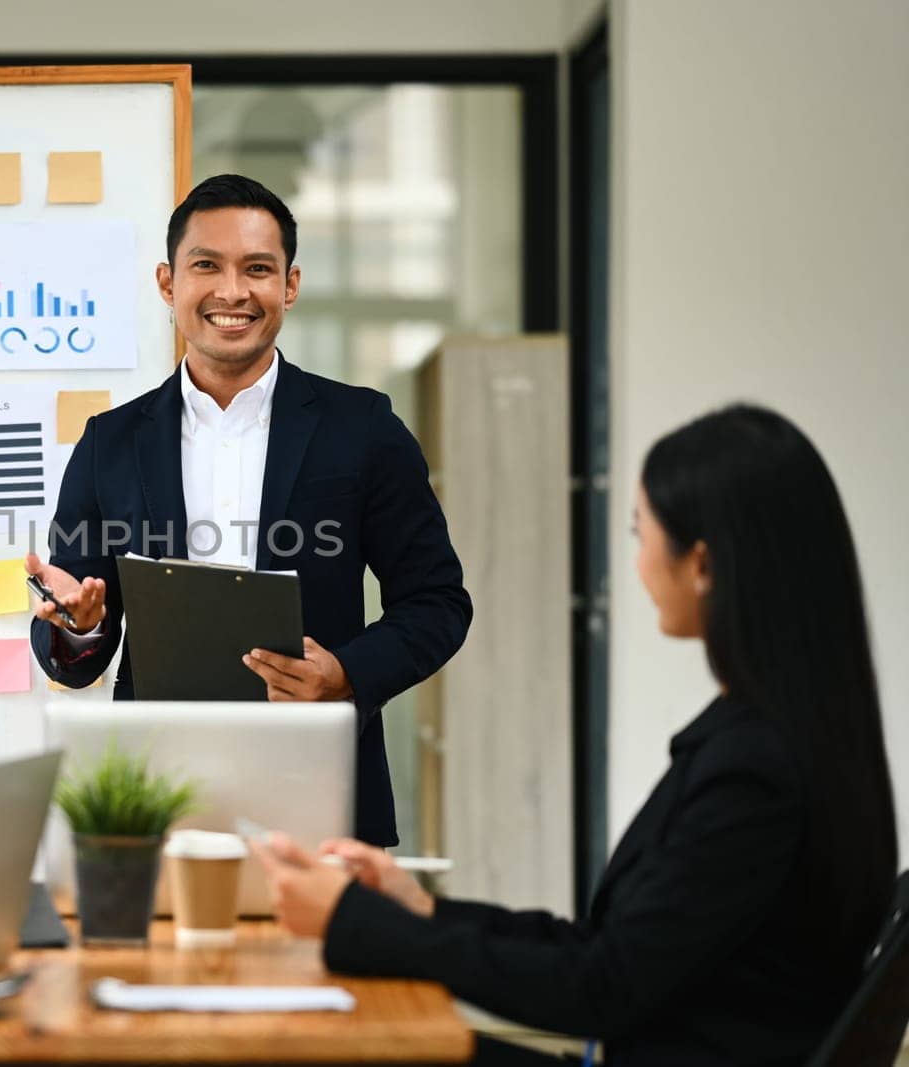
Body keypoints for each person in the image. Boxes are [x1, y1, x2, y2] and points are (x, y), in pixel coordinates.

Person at [252, 404, 900, 1065]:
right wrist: (418, 909)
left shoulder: (755, 772)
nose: (639, 561)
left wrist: (357, 923)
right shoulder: (786, 737)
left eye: (638, 532)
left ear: (701, 565)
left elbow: (601, 986)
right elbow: (607, 948)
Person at [26, 173, 472, 846]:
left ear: (289, 285)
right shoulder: (109, 444)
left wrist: (348, 673)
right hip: (154, 801)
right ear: (168, 283)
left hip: (322, 790)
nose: (232, 292)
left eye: (257, 269)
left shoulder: (364, 428)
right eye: (206, 265)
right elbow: (75, 643)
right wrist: (78, 623)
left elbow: (438, 602)